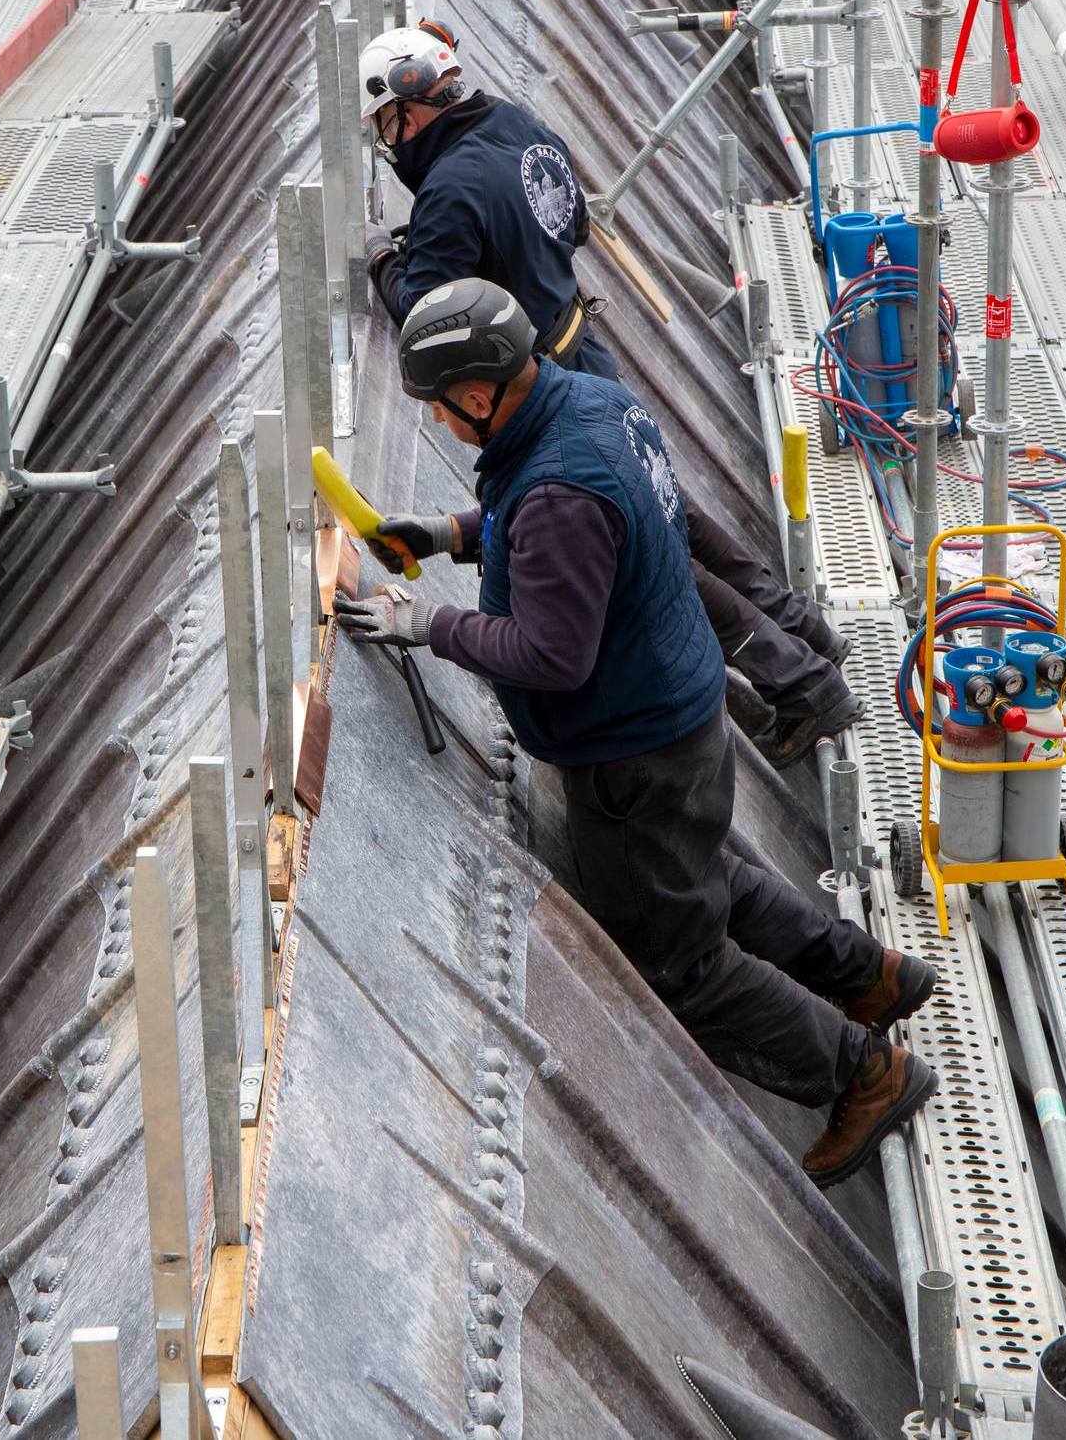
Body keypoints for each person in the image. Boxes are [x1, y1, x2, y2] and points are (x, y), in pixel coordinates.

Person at [334, 279, 937, 1187]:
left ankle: (865, 1074)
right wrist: (455, 532)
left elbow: (549, 655)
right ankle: (872, 976)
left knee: (679, 957)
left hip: (632, 746)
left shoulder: (555, 494)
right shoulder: (590, 402)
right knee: (708, 877)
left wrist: (431, 625)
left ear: (476, 393)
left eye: (443, 411)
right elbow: (571, 525)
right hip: (679, 706)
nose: (446, 429)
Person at [358, 18, 860, 768]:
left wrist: (381, 263)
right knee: (669, 514)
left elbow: (426, 319)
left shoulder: (450, 190)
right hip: (579, 347)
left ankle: (800, 681)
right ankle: (805, 634)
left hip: (547, 388)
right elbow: (576, 222)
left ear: (409, 106)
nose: (389, 142)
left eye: (386, 125)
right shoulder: (516, 123)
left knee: (652, 547)